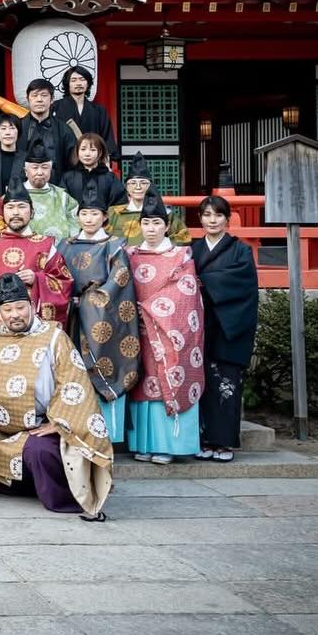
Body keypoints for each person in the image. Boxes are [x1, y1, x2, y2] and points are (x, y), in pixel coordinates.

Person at [0, 273, 113, 519]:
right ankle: (19, 486)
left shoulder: (54, 338)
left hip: (38, 424)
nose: (14, 315)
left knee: (39, 451)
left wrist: (59, 423)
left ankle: (61, 496)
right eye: (7, 309)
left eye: (20, 308)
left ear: (32, 306)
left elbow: (75, 384)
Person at [57, 182, 142, 443]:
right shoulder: (64, 245)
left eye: (95, 214)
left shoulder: (115, 245)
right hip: (71, 315)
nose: (89, 219)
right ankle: (78, 430)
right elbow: (57, 277)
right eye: (84, 213)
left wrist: (91, 301)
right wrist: (67, 298)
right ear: (78, 216)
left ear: (104, 216)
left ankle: (110, 435)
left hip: (103, 319)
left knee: (106, 368)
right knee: (72, 370)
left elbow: (119, 280)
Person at [126, 192, 205, 465]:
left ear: (167, 225)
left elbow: (185, 293)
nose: (151, 228)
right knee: (143, 384)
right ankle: (144, 443)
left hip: (168, 331)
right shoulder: (130, 254)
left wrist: (148, 309)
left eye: (156, 223)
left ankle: (170, 444)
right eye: (146, 223)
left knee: (166, 380)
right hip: (139, 332)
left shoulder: (181, 255)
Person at [192, 195, 260, 462]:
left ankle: (224, 443)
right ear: (200, 219)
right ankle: (203, 439)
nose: (212, 220)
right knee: (200, 385)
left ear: (227, 219)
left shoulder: (240, 250)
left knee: (226, 386)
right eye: (207, 215)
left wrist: (204, 280)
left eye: (218, 215)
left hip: (228, 326)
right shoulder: (192, 250)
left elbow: (243, 285)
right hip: (198, 326)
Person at [0, 182, 74, 334]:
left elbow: (63, 282)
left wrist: (37, 278)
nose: (16, 212)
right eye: (10, 207)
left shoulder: (46, 244)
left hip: (31, 319)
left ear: (32, 212)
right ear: (2, 212)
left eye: (22, 207)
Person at [108, 152, 191, 245]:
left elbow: (183, 238)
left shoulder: (165, 214)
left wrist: (159, 248)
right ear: (126, 187)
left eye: (143, 183)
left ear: (151, 186)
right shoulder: (113, 213)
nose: (138, 187)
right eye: (133, 183)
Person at [20, 139, 79, 241]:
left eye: (45, 167)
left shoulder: (62, 196)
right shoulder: (14, 195)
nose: (40, 172)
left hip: (59, 252)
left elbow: (76, 220)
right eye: (35, 167)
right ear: (25, 171)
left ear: (51, 171)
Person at [17, 77, 75, 179]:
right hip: (22, 188)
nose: (39, 99)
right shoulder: (17, 127)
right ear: (28, 99)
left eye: (44, 95)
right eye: (34, 95)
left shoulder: (63, 129)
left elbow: (72, 162)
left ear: (52, 99)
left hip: (56, 187)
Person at [52, 65, 117, 156]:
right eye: (73, 80)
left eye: (82, 79)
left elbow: (106, 137)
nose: (78, 83)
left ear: (88, 83)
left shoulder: (99, 110)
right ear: (67, 84)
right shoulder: (55, 107)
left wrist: (107, 157)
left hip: (91, 159)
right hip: (64, 159)